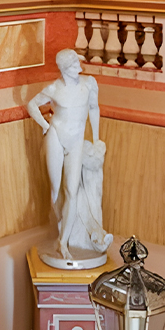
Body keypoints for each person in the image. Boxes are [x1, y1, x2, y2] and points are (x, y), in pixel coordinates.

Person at [26, 48, 112, 268]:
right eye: (74, 64)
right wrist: (46, 126)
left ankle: (63, 241)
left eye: (77, 62)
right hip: (56, 136)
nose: (79, 66)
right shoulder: (54, 89)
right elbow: (32, 105)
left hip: (76, 141)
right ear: (65, 69)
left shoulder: (88, 85)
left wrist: (95, 138)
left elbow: (94, 109)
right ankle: (62, 225)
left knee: (71, 191)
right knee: (56, 190)